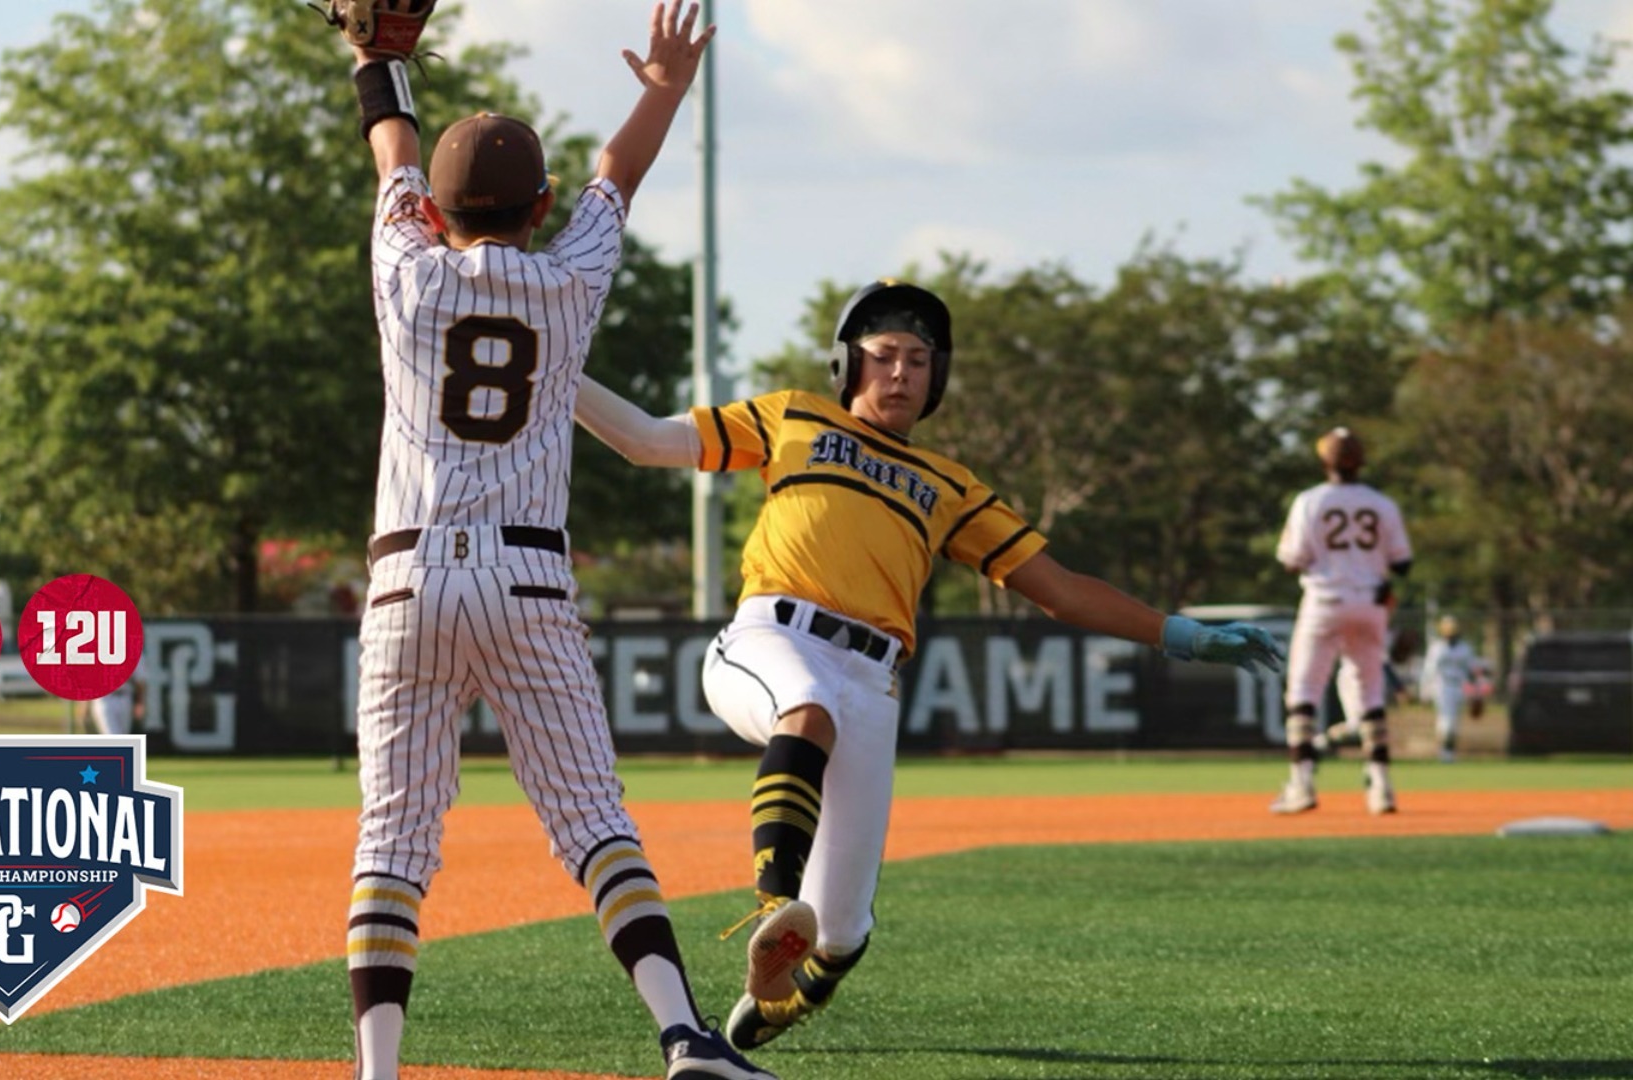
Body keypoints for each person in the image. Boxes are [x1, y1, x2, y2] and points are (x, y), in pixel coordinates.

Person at [572, 279, 1285, 1051]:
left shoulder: (951, 486)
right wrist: (554, 370)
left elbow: (1061, 589)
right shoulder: (792, 416)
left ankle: (779, 992)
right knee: (804, 707)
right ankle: (772, 904)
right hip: (770, 638)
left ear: (936, 377)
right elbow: (646, 439)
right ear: (848, 364)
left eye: (919, 359)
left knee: (842, 933)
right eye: (883, 356)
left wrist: (1179, 633)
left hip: (873, 682)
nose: (902, 372)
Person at [336, 6, 773, 1080]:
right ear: (539, 206)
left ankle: (378, 1072)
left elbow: (392, 146)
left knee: (392, 841)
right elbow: (616, 176)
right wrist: (664, 85)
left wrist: (375, 64)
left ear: (434, 214)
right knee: (592, 820)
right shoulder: (571, 277)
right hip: (529, 577)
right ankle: (683, 1036)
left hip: (406, 578)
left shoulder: (406, 268)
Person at [1272, 426, 1412, 815]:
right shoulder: (1382, 504)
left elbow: (1290, 559)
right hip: (1370, 602)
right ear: (1361, 461)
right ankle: (1381, 788)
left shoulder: (1309, 501)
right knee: (1369, 693)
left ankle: (1301, 785)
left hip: (1323, 600)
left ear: (1324, 460)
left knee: (1303, 692)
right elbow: (1402, 563)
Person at [1421, 615, 1489, 762]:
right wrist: (1424, 692)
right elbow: (1428, 671)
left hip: (1459, 686)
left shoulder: (1465, 648)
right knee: (1447, 722)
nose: (1450, 636)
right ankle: (1444, 753)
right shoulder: (1437, 648)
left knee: (1454, 723)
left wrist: (1477, 691)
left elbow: (1472, 671)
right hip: (1441, 686)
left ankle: (1448, 753)